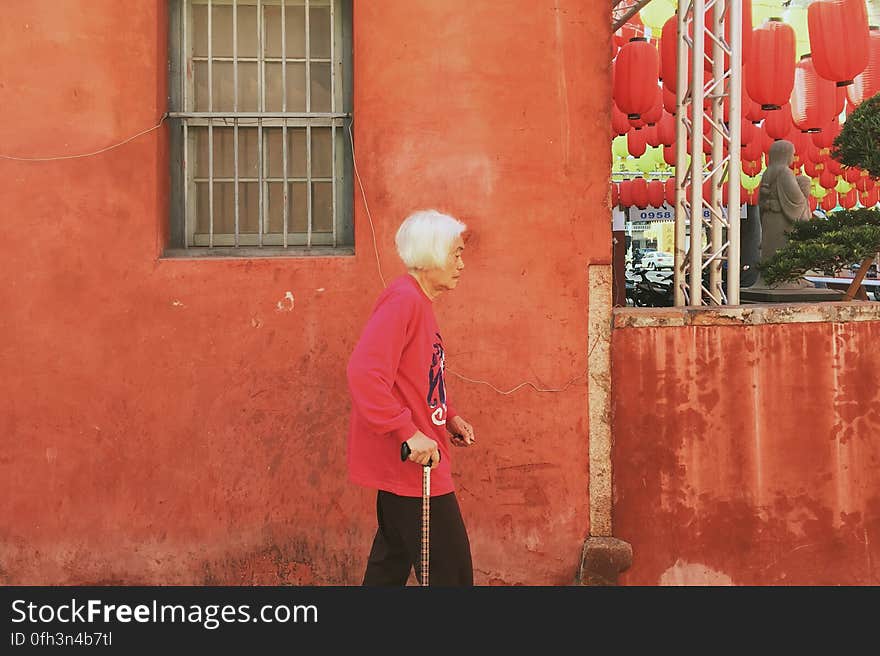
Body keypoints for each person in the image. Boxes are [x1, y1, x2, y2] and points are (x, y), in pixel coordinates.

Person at [347, 209, 477, 586]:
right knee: (451, 575)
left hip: (413, 460)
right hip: (413, 465)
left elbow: (422, 375)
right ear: (433, 254)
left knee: (389, 567)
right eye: (455, 253)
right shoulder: (403, 301)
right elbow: (365, 373)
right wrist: (407, 431)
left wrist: (448, 415)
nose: (461, 264)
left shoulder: (418, 302)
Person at [755, 139, 811, 287]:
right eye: (792, 154)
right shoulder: (785, 172)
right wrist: (804, 193)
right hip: (782, 220)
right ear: (785, 154)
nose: (793, 157)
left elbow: (760, 200)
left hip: (769, 218)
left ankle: (774, 278)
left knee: (771, 249)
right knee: (784, 247)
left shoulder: (768, 172)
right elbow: (796, 198)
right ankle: (785, 279)